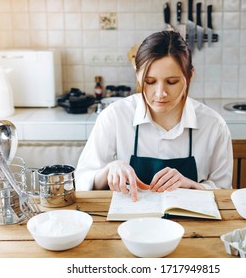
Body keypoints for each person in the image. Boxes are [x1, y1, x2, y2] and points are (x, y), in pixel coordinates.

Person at [76, 31, 233, 201]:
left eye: (171, 82)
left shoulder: (214, 125)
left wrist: (193, 186)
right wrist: (109, 170)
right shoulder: (114, 116)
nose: (160, 94)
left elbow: (224, 191)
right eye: (149, 82)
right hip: (128, 224)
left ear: (190, 76)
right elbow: (82, 181)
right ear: (137, 74)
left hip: (194, 225)